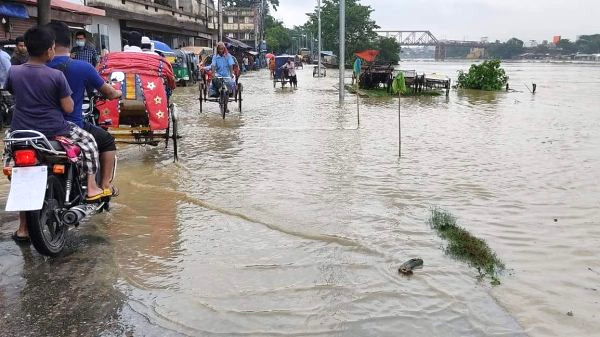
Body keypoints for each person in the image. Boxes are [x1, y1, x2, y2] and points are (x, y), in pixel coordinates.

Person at [7, 26, 107, 242]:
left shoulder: (14, 71)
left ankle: (23, 228)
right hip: (54, 130)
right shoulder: (56, 75)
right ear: (48, 51)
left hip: (20, 133)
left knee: (20, 174)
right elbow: (69, 108)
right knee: (89, 142)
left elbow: (14, 92)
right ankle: (91, 187)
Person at [46, 22, 122, 197]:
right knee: (107, 141)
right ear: (70, 41)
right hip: (69, 126)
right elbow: (108, 92)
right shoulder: (82, 67)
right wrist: (117, 92)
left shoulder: (33, 68)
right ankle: (103, 185)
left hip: (34, 128)